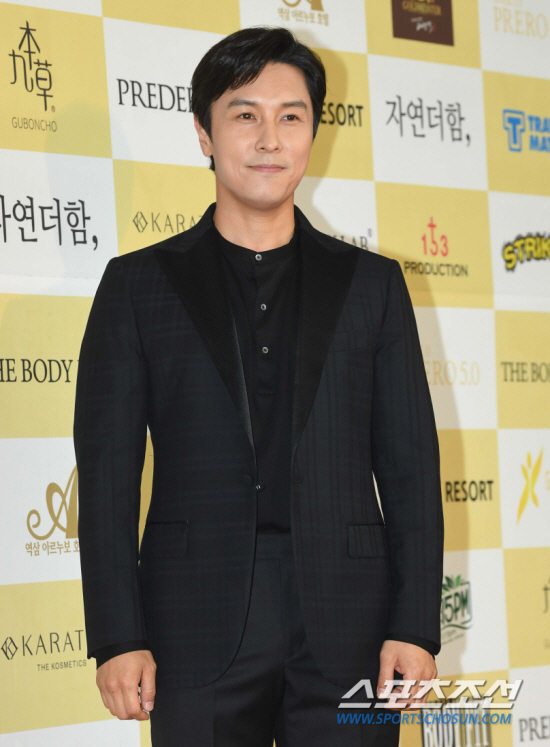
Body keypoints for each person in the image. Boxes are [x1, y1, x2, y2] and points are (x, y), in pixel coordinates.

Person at [74, 25, 443, 746]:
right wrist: (118, 634)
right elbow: (109, 473)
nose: (270, 138)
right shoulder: (138, 286)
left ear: (313, 133)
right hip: (192, 623)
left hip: (352, 624)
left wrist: (414, 625)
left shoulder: (372, 286)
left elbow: (410, 467)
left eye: (291, 116)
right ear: (204, 135)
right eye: (245, 115)